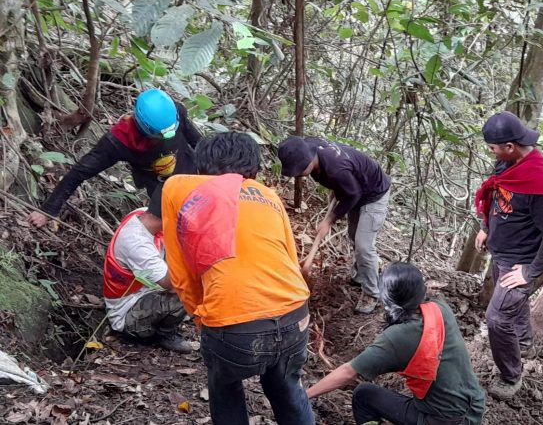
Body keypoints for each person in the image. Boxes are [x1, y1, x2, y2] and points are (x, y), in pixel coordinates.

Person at [161, 132, 314, 425]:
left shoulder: (179, 188)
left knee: (225, 385)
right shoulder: (268, 195)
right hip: (295, 315)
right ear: (253, 170)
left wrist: (200, 316)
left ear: (200, 166)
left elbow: (180, 272)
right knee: (287, 387)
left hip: (234, 326)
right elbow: (291, 260)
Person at [306, 262, 485, 424]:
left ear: (387, 299)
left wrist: (304, 396)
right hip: (474, 407)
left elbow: (348, 372)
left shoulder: (397, 338)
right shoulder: (440, 308)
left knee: (363, 395)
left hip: (444, 421)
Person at [475, 111, 543, 400]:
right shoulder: (507, 163)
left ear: (511, 146)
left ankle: (511, 375)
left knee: (497, 318)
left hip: (522, 260)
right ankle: (525, 342)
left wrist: (530, 272)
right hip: (501, 252)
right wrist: (485, 227)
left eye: (493, 147)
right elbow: (495, 195)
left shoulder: (539, 182)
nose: (491, 153)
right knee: (511, 307)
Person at [28, 88, 202, 227]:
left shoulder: (175, 113)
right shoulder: (119, 141)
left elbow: (198, 143)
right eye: (161, 136)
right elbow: (80, 172)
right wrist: (49, 210)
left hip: (195, 178)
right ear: (145, 129)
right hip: (164, 194)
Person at [277, 136, 390, 314]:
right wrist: (337, 189)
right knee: (354, 236)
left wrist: (329, 220)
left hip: (373, 193)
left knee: (364, 245)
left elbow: (353, 194)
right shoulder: (310, 147)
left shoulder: (336, 168)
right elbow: (347, 188)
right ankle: (361, 275)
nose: (298, 175)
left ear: (308, 160)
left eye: (300, 171)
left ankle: (372, 293)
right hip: (355, 189)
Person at [103, 206, 192, 353]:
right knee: (186, 290)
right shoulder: (137, 244)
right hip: (126, 314)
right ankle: (164, 334)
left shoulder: (142, 215)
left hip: (144, 291)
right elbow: (173, 285)